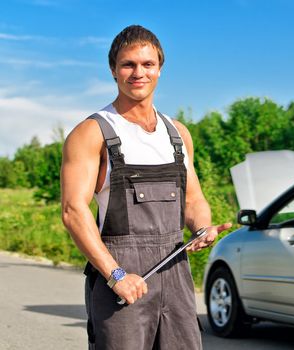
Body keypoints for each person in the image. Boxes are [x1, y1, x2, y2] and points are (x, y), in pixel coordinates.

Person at [61, 24, 231, 349]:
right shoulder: (92, 132)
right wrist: (116, 275)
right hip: (121, 277)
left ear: (160, 69)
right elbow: (73, 211)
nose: (138, 73)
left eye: (147, 64)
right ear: (113, 70)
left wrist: (202, 227)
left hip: (176, 272)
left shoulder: (177, 133)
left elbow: (193, 200)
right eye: (128, 64)